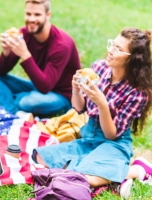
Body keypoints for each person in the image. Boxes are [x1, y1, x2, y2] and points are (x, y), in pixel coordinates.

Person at [32, 27, 152, 198]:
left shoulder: (138, 93)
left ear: (132, 59)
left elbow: (111, 135)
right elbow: (79, 108)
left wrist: (102, 103)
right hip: (89, 137)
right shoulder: (99, 68)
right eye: (112, 44)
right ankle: (112, 176)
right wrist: (75, 90)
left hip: (114, 143)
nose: (110, 51)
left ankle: (138, 170)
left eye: (118, 49)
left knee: (85, 178)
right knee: (41, 158)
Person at [0, 0, 80, 117]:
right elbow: (1, 72)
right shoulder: (24, 34)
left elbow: (45, 87)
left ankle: (1, 98)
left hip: (60, 95)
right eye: (28, 14)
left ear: (48, 15)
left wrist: (25, 55)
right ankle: (14, 111)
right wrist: (6, 53)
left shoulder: (62, 45)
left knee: (28, 102)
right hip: (36, 85)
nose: (31, 19)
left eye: (37, 15)